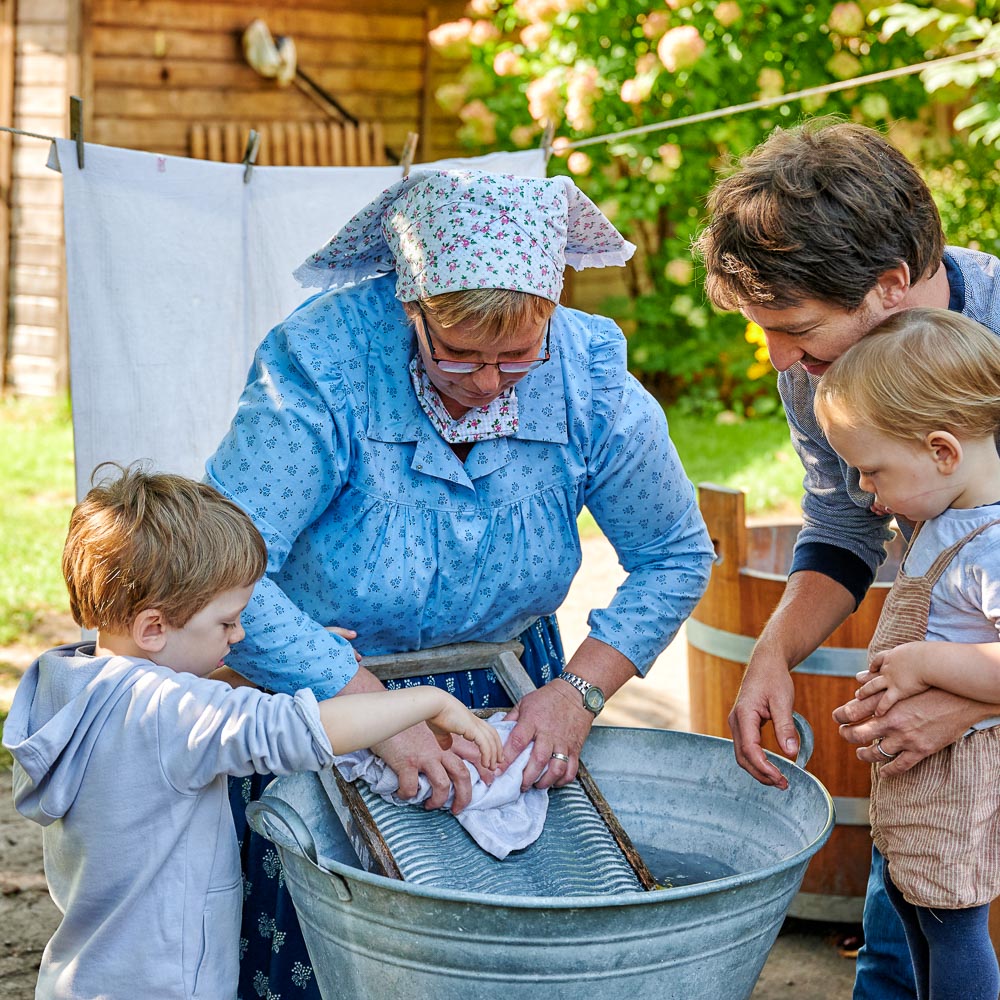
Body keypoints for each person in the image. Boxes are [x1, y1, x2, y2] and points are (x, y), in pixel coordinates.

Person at [205, 168, 715, 997]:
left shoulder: (586, 377)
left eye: (516, 358)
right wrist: (367, 710)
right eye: (458, 355)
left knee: (499, 961)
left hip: (507, 694)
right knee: (331, 954)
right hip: (323, 688)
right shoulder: (323, 366)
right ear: (412, 307)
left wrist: (577, 694)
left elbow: (675, 553)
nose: (485, 383)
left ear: (552, 308)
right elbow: (224, 570)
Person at [694, 116, 1000, 1000]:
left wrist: (965, 707)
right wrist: (772, 653)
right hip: (934, 743)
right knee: (899, 930)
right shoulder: (820, 368)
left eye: (795, 329)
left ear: (891, 285)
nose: (780, 360)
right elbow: (843, 525)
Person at [1, 465, 502, 1000]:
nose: (240, 635)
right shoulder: (169, 714)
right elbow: (296, 730)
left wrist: (269, 668)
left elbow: (163, 712)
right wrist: (427, 702)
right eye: (226, 622)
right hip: (169, 985)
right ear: (153, 627)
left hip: (89, 974)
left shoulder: (71, 686)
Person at [812, 308, 1000, 1000]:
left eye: (873, 471)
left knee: (952, 924)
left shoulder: (990, 546)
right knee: (914, 908)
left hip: (959, 776)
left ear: (943, 451)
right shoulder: (943, 519)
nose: (866, 489)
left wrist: (922, 665)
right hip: (921, 774)